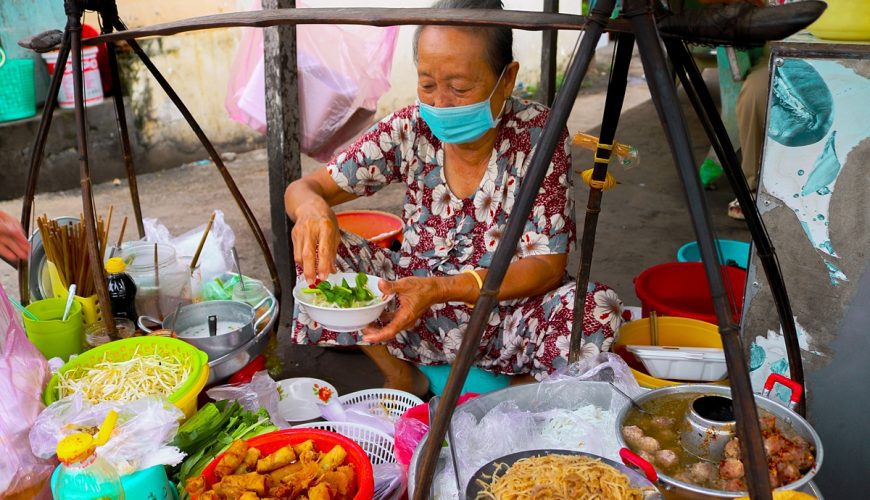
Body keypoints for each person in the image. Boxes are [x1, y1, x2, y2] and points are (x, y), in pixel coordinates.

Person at [284, 0, 625, 396]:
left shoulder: (539, 133)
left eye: (459, 88)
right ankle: (401, 375)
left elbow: (548, 266)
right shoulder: (411, 127)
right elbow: (302, 189)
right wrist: (312, 209)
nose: (440, 103)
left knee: (597, 308)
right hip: (413, 311)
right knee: (318, 245)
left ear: (507, 79)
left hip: (509, 323)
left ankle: (514, 398)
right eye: (427, 85)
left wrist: (444, 289)